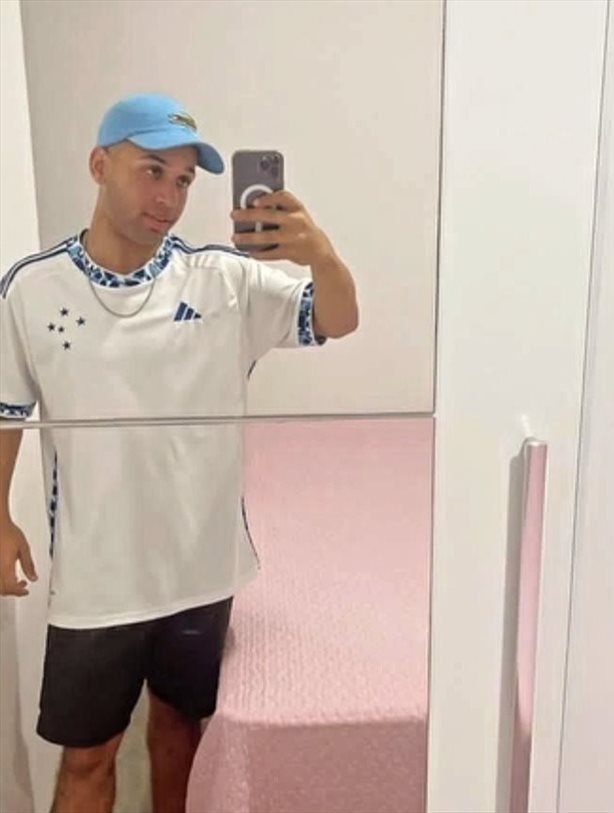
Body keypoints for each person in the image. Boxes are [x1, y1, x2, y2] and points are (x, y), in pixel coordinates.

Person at [0, 92, 358, 813]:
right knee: (88, 757)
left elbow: (338, 319)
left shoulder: (224, 279)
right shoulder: (31, 288)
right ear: (99, 165)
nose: (168, 197)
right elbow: (7, 411)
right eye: (152, 171)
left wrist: (319, 254)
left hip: (201, 568)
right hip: (98, 574)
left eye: (185, 180)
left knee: (179, 734)